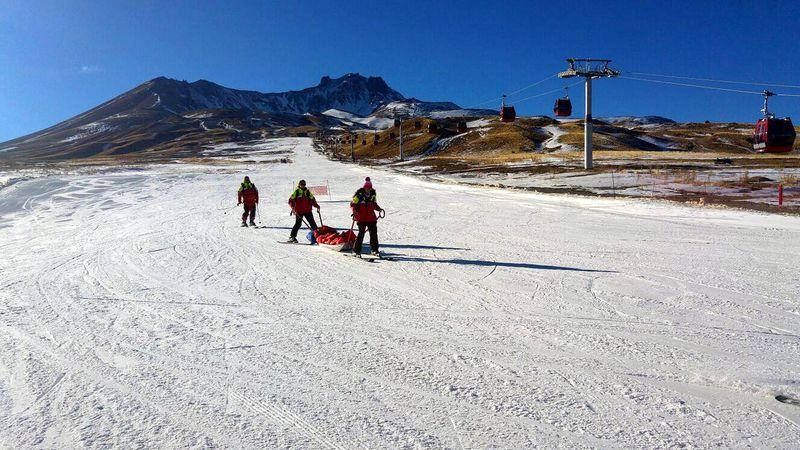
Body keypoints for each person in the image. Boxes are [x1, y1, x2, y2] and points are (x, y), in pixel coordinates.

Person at [350, 177, 384, 257]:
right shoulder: (358, 196)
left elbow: (374, 204)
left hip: (371, 218)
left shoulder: (372, 195)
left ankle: (374, 250)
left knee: (374, 234)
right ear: (364, 188)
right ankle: (356, 251)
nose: (368, 190)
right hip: (361, 218)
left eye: (369, 188)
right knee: (361, 234)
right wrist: (354, 212)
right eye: (367, 188)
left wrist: (379, 209)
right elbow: (353, 205)